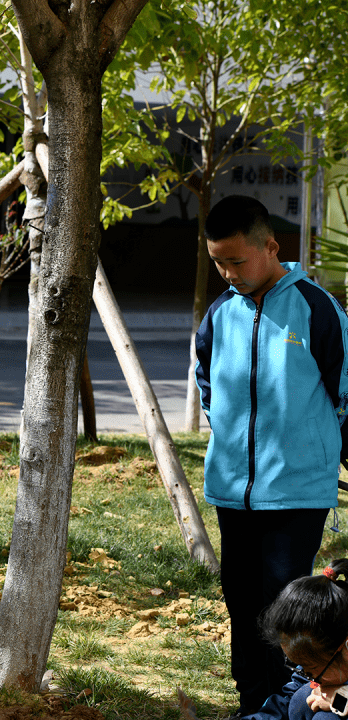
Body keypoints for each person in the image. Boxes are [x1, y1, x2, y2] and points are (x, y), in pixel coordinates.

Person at [194, 195, 348, 719]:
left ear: (271, 247)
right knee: (243, 605)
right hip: (233, 492)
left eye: (237, 261)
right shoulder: (218, 316)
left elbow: (345, 393)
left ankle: (294, 707)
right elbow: (207, 387)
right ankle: (252, 704)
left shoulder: (317, 308)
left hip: (297, 491)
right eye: (219, 262)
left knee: (288, 611)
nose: (228, 272)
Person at [257, 560, 348, 720]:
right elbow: (287, 700)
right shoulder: (319, 658)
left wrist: (342, 699)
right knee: (301, 699)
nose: (309, 676)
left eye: (311, 671)